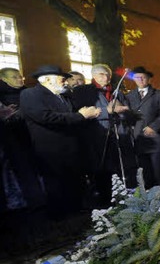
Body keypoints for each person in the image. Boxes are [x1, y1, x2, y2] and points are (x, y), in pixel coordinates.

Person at [20, 65, 101, 219]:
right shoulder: (30, 94)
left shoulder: (63, 95)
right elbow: (45, 117)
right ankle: (60, 217)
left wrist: (86, 114)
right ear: (47, 79)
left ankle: (77, 210)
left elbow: (70, 116)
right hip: (51, 148)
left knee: (74, 180)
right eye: (62, 78)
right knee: (56, 184)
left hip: (71, 146)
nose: (65, 81)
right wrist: (81, 116)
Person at [71, 64, 135, 204]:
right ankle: (104, 201)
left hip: (119, 136)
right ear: (93, 75)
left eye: (108, 75)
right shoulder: (83, 91)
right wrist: (108, 111)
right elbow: (82, 112)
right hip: (98, 137)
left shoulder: (117, 92)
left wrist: (124, 112)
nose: (105, 77)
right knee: (102, 171)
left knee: (121, 168)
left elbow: (126, 113)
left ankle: (123, 199)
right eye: (101, 74)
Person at [0, 67, 45, 210]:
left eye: (21, 77)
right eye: (14, 77)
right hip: (12, 139)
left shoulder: (29, 93)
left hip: (33, 136)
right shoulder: (2, 96)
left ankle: (41, 199)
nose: (20, 79)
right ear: (3, 79)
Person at [126, 66, 160, 187]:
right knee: (143, 170)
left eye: (143, 77)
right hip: (139, 138)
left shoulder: (159, 95)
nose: (140, 79)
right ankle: (147, 197)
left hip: (155, 137)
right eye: (137, 77)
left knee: (158, 169)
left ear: (148, 79)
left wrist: (154, 127)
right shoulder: (129, 96)